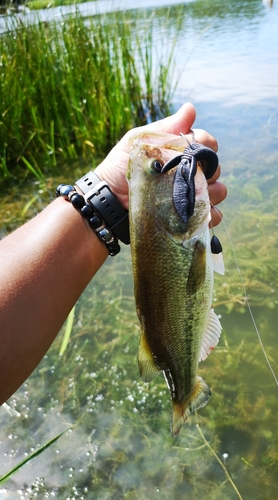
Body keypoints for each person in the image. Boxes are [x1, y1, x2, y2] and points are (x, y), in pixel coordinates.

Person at [0, 103, 227, 405]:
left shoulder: (164, 215)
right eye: (157, 168)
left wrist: (100, 201)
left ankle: (183, 389)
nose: (155, 155)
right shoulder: (168, 216)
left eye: (155, 166)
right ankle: (185, 391)